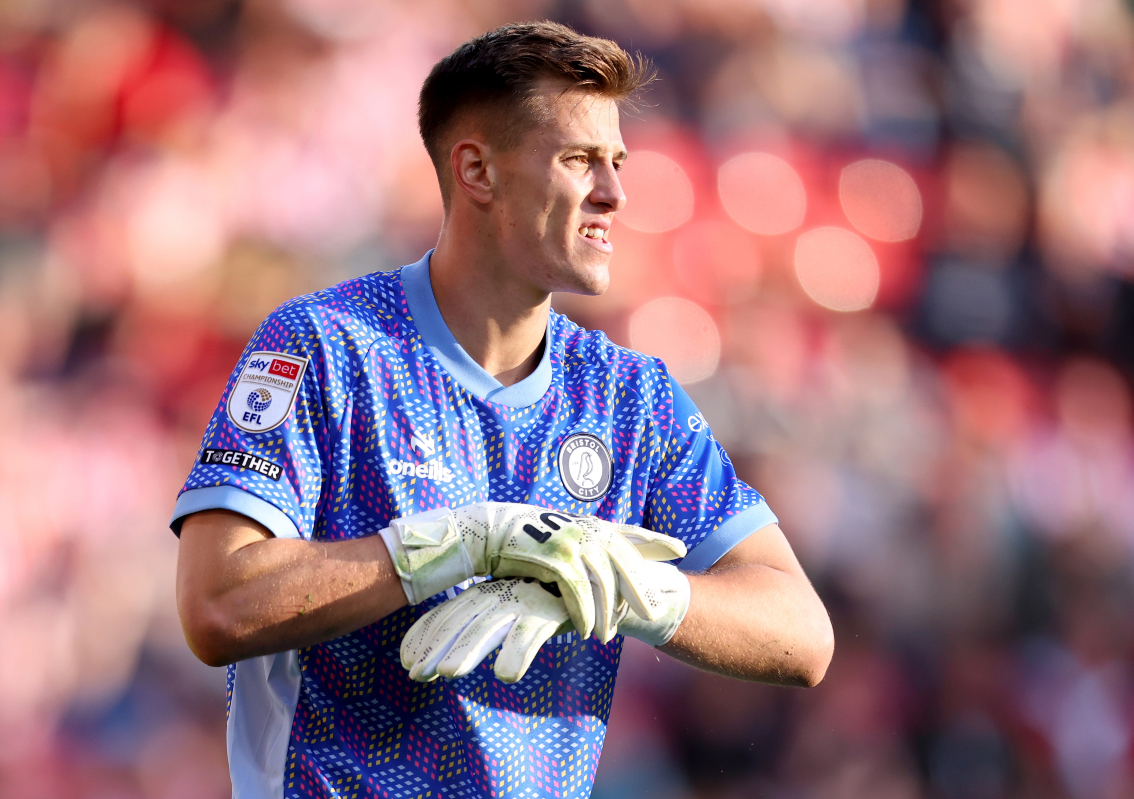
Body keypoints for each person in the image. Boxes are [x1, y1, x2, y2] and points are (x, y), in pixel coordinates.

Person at [173, 21, 834, 799]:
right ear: (477, 170)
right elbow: (217, 604)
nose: (615, 192)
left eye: (617, 162)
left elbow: (802, 633)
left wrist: (637, 587)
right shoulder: (327, 346)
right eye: (579, 160)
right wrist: (453, 546)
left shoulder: (631, 397)